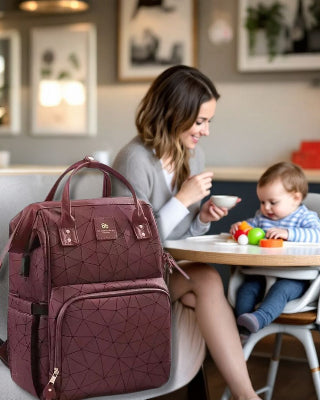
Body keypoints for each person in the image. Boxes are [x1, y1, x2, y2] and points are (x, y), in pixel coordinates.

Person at [112, 65, 260, 400]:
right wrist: (182, 200)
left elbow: (180, 238)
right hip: (134, 276)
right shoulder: (133, 159)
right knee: (206, 282)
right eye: (200, 122)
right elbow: (130, 246)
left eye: (209, 121)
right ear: (173, 114)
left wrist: (203, 216)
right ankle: (246, 395)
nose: (206, 131)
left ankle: (244, 395)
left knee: (203, 287)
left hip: (168, 269)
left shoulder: (192, 157)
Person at [230, 161, 320, 336]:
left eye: (273, 202)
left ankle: (260, 318)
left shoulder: (304, 217)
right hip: (261, 274)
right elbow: (248, 227)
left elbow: (318, 234)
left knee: (280, 291)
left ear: (296, 198)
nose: (266, 208)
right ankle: (243, 328)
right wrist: (239, 228)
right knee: (246, 290)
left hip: (295, 278)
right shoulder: (261, 218)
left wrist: (288, 233)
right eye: (263, 202)